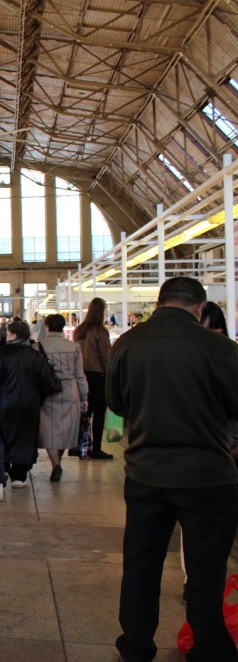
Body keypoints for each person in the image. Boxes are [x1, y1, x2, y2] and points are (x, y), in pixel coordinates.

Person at [107, 277, 238, 662]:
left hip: (146, 473)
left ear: (160, 302)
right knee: (205, 570)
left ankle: (136, 645)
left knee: (141, 565)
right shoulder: (220, 348)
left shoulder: (126, 344)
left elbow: (116, 402)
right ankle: (208, 647)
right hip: (208, 477)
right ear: (200, 308)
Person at [0, 320, 56, 488]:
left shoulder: (0, 354)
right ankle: (19, 476)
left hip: (4, 405)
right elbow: (46, 382)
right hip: (30, 404)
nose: (6, 335)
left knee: (3, 435)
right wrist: (38, 398)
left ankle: (4, 468)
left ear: (14, 335)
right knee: (26, 438)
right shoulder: (35, 355)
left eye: (8, 332)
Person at [37, 314, 87, 482]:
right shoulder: (74, 347)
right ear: (64, 326)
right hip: (70, 390)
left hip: (47, 392)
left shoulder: (38, 347)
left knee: (49, 429)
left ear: (47, 326)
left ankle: (55, 464)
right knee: (65, 429)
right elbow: (80, 374)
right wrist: (84, 396)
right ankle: (58, 462)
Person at [73, 297, 114, 459]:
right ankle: (96, 448)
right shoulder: (100, 332)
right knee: (99, 413)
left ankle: (81, 446)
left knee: (84, 413)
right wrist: (111, 375)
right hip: (98, 376)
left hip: (81, 376)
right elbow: (106, 357)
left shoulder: (80, 330)